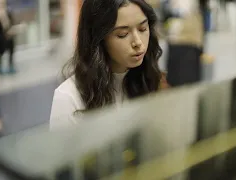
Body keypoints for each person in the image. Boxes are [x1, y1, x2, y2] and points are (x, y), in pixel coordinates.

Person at [50, 0, 163, 130]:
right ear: (99, 39)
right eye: (123, 34)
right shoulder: (68, 97)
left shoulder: (148, 79)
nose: (138, 42)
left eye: (143, 28)